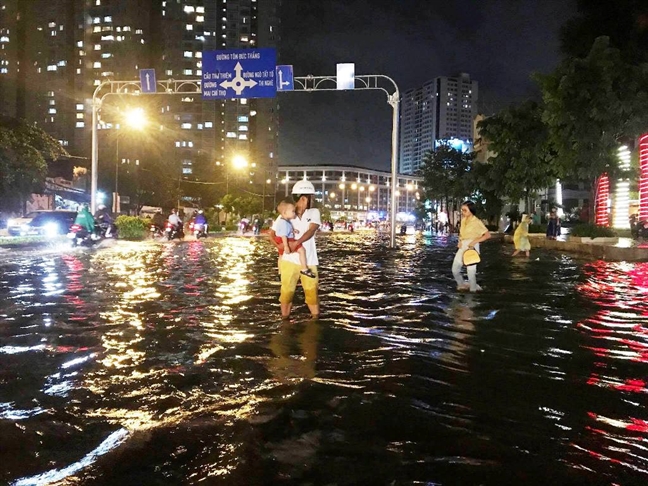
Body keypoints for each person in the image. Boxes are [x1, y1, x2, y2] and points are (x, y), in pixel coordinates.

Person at [269, 180, 321, 319]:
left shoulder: (314, 212)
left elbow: (311, 230)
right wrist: (279, 246)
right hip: (289, 261)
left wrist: (296, 243)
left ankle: (314, 319)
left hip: (309, 260)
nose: (313, 200)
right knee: (286, 292)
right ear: (304, 198)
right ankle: (285, 319)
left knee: (312, 294)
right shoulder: (285, 215)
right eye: (312, 197)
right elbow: (271, 234)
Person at [452, 200, 491, 292]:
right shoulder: (463, 220)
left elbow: (487, 235)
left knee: (471, 272)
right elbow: (461, 234)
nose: (463, 212)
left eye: (465, 210)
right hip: (462, 246)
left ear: (471, 210)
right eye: (462, 210)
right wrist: (460, 241)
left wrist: (474, 242)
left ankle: (473, 290)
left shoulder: (477, 222)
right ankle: (461, 284)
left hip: (472, 247)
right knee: (455, 269)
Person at [274, 199, 316, 278]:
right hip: (287, 240)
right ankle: (304, 269)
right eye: (293, 211)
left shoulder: (283, 221)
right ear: (284, 213)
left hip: (279, 240)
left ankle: (280, 272)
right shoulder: (284, 223)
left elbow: (284, 230)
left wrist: (293, 231)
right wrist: (286, 246)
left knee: (280, 255)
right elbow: (284, 235)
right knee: (302, 250)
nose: (294, 213)